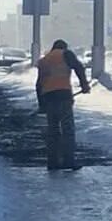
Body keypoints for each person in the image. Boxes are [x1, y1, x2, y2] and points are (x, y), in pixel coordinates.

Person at [36, 39, 91, 170]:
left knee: (53, 131)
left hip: (49, 98)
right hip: (63, 96)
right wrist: (84, 85)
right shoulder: (66, 54)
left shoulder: (44, 61)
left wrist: (41, 104)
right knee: (68, 130)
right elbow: (78, 67)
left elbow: (38, 84)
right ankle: (68, 161)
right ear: (64, 47)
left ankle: (53, 163)